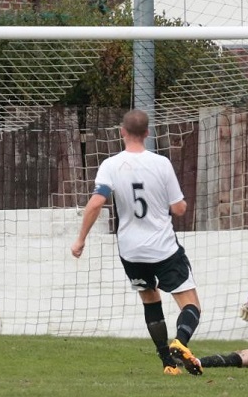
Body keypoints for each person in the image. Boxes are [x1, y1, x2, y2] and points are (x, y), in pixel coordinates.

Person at [70, 109, 203, 376]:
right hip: (163, 247)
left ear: (122, 132)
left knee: (149, 299)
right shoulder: (161, 163)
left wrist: (80, 239)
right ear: (147, 133)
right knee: (191, 305)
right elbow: (178, 209)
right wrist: (181, 203)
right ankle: (180, 342)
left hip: (131, 251)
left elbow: (97, 201)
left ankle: (167, 363)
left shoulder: (110, 165)